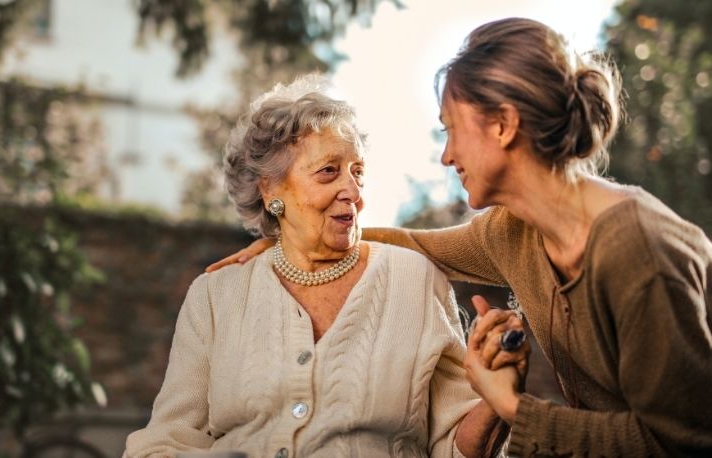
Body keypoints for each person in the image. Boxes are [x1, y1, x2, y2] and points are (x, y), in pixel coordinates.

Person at [207, 18, 712, 456]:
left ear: (503, 126)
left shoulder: (637, 250)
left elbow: (680, 442)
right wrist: (293, 239)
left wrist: (511, 405)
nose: (447, 156)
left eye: (451, 129)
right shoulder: (513, 232)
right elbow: (416, 244)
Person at [124, 75, 520, 457]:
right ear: (270, 189)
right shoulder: (215, 295)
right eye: (329, 171)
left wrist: (496, 398)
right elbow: (168, 439)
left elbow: (457, 447)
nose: (352, 192)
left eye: (358, 172)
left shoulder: (415, 281)